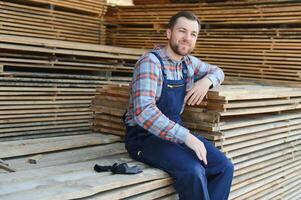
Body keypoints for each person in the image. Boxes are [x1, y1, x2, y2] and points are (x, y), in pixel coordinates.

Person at [123, 11, 234, 200]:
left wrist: (206, 82)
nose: (187, 38)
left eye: (193, 34)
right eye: (182, 31)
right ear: (169, 33)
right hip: (144, 137)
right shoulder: (150, 62)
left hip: (174, 133)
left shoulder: (188, 64)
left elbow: (218, 71)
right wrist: (186, 137)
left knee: (224, 167)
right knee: (194, 172)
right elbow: (144, 111)